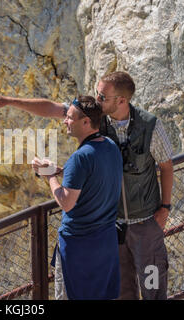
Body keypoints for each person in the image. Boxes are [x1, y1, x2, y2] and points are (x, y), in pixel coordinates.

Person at [0, 71, 174, 300]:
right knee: (123, 292)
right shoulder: (95, 119)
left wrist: (165, 208)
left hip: (145, 226)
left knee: (153, 286)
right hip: (113, 229)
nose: (98, 100)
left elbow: (167, 166)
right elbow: (52, 109)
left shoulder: (149, 126)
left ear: (121, 100)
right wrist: (9, 101)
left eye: (103, 97)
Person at [34, 95, 122, 299]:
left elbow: (66, 202)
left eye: (70, 117)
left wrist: (49, 177)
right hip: (105, 243)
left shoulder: (80, 158)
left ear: (86, 122)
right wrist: (63, 172)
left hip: (78, 249)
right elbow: (93, 177)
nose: (65, 121)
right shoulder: (110, 146)